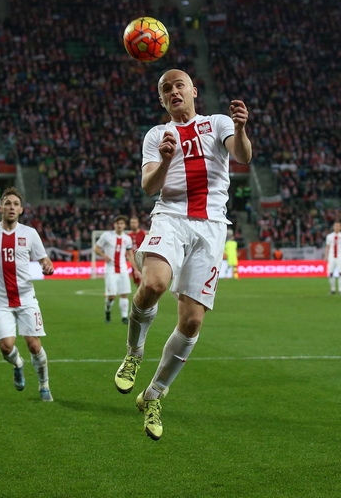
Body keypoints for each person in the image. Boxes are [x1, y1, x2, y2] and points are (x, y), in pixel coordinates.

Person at [114, 68, 252, 440]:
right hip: (171, 218)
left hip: (210, 229)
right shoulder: (157, 134)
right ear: (161, 100)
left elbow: (242, 156)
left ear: (193, 90)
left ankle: (154, 394)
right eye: (165, 89)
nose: (173, 91)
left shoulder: (218, 122)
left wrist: (240, 129)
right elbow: (147, 186)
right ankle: (134, 351)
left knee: (192, 322)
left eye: (179, 85)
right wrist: (163, 159)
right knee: (154, 283)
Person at [0, 187, 55, 401]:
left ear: (21, 209)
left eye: (15, 203)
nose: (11, 207)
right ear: (0, 208)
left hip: (26, 298)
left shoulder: (30, 233)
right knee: (6, 346)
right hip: (0, 301)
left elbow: (44, 259)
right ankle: (18, 364)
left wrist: (47, 265)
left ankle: (44, 385)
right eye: (8, 203)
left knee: (34, 344)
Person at [93, 215, 141, 324]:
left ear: (124, 225)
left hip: (123, 269)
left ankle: (124, 317)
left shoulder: (127, 239)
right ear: (114, 225)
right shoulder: (106, 236)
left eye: (121, 223)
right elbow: (96, 248)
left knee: (124, 294)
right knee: (112, 296)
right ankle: (108, 309)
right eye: (117, 223)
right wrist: (103, 255)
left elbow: (129, 255)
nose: (119, 225)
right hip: (110, 270)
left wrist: (136, 269)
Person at [128, 216, 147, 286]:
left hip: (142, 261)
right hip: (133, 261)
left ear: (138, 223)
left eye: (135, 222)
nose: (133, 224)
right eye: (132, 223)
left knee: (144, 281)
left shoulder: (143, 234)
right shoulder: (128, 236)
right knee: (138, 283)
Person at [324, 221, 341, 294]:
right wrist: (326, 256)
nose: (337, 227)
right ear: (333, 227)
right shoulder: (329, 236)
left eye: (338, 226)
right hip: (331, 256)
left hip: (340, 256)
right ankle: (333, 289)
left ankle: (340, 289)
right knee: (330, 273)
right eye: (335, 226)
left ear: (340, 227)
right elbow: (327, 246)